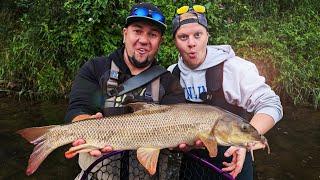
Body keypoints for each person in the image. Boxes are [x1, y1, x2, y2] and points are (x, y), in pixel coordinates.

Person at [64, 2, 185, 179]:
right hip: (97, 174)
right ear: (125, 33)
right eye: (137, 31)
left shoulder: (170, 83)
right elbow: (77, 109)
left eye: (152, 34)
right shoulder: (95, 68)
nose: (144, 39)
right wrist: (86, 126)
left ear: (160, 41)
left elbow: (178, 130)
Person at [168, 5, 283, 180]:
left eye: (197, 35)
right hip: (192, 163)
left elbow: (272, 104)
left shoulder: (234, 68)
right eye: (183, 37)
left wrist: (246, 142)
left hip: (233, 160)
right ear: (174, 41)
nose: (191, 43)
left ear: (207, 36)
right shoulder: (171, 74)